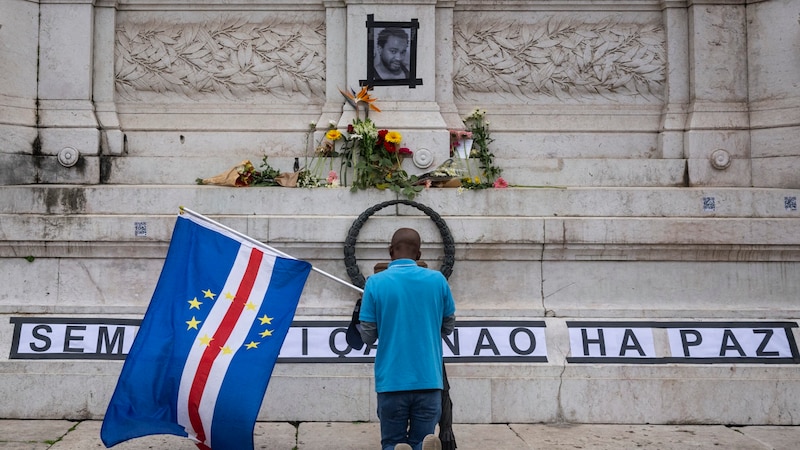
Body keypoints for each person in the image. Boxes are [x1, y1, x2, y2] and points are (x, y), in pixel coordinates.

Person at [359, 228, 456, 450]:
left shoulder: (375, 283)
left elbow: (367, 336)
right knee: (423, 441)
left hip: (392, 381)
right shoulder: (437, 280)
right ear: (419, 255)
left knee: (392, 442)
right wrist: (427, 332)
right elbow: (448, 325)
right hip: (429, 379)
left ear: (390, 251)